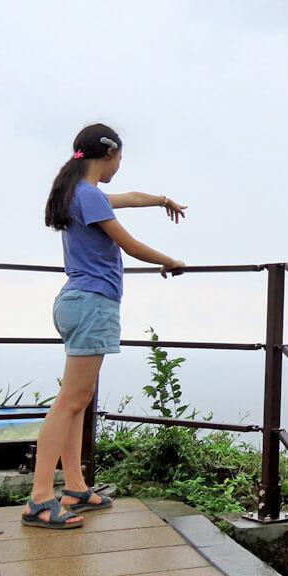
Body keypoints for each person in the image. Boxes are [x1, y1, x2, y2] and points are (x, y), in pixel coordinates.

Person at [22, 123, 187, 529]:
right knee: (69, 403)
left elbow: (128, 198)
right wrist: (171, 260)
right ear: (108, 154)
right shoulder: (89, 195)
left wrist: (162, 199)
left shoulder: (78, 192)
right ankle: (39, 499)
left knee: (77, 401)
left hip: (77, 300)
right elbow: (129, 245)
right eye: (119, 159)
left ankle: (75, 486)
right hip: (93, 303)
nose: (119, 167)